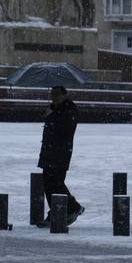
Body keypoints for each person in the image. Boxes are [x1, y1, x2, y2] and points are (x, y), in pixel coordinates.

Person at [36, 85, 84, 227]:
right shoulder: (54, 108)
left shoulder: (69, 109)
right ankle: (58, 212)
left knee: (56, 183)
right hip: (49, 151)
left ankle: (69, 208)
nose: (54, 97)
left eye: (57, 95)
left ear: (65, 95)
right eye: (52, 94)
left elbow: (65, 129)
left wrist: (51, 116)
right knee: (48, 184)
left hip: (60, 152)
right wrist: (49, 113)